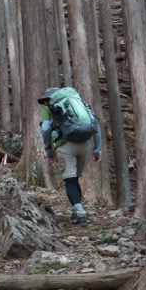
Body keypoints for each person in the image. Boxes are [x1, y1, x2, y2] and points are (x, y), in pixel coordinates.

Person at [38, 87, 102, 226]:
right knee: (75, 179)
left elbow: (45, 129)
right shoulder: (81, 104)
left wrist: (48, 149)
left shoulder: (49, 109)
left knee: (70, 181)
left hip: (65, 145)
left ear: (49, 99)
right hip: (85, 145)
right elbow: (96, 125)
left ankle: (79, 213)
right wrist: (97, 151)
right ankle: (78, 210)